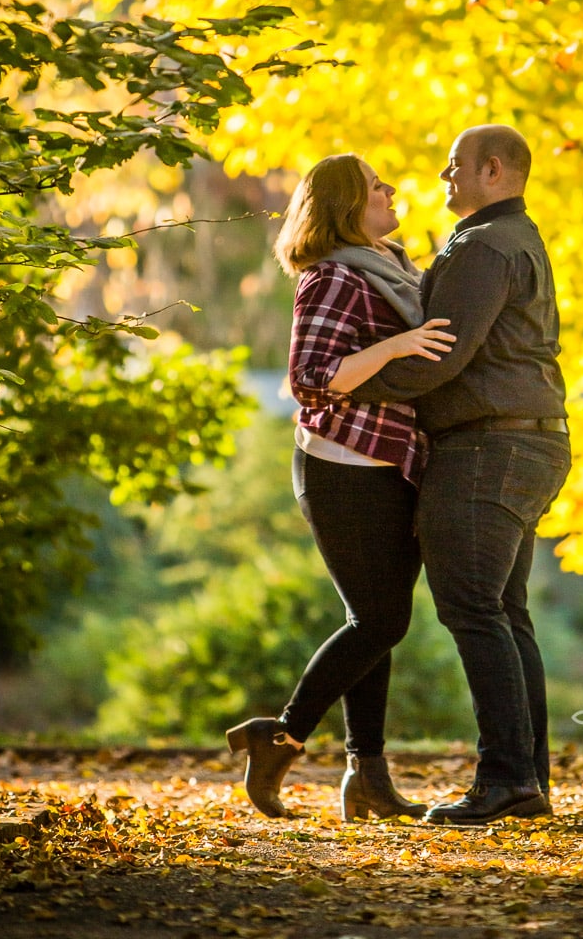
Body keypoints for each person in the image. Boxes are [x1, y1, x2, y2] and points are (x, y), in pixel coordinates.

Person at [226, 153, 455, 821]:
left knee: (373, 624)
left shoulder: (391, 266)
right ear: (346, 207)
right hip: (340, 464)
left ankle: (368, 779)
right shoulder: (332, 276)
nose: (390, 190)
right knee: (382, 620)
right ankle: (281, 737)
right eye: (374, 185)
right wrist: (397, 346)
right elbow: (309, 377)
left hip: (390, 462)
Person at [352, 125, 569, 826]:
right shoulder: (518, 238)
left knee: (473, 609)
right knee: (503, 612)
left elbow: (439, 357)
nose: (442, 178)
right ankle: (526, 778)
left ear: (494, 170)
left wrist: (346, 385)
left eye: (454, 168)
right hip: (527, 442)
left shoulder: (482, 246)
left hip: (487, 449)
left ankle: (504, 779)